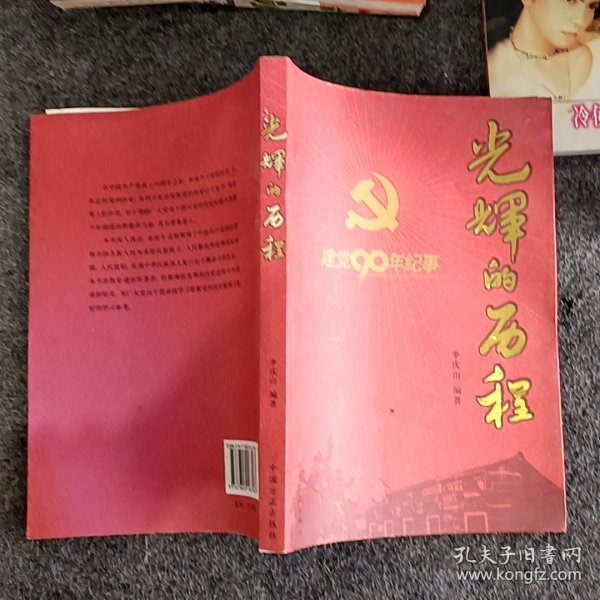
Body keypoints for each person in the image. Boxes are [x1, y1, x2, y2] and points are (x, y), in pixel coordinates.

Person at [486, 0, 600, 101]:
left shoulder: (593, 46)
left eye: (592, 6)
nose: (580, 20)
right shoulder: (496, 77)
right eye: (569, 1)